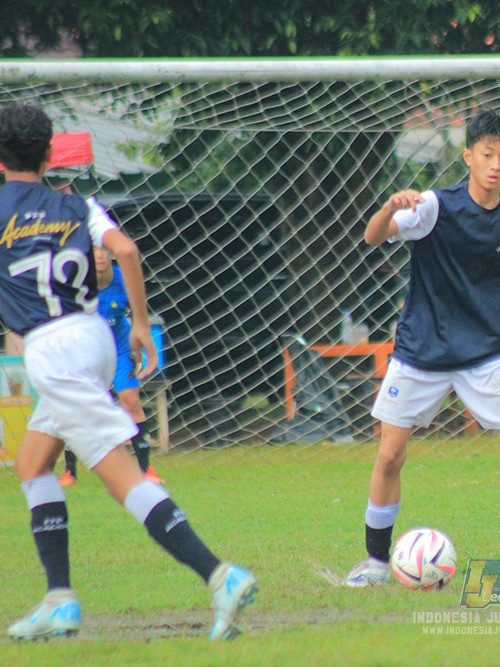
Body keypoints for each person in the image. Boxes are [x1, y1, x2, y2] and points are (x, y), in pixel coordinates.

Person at [0, 103, 257, 640]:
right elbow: (127, 250)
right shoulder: (78, 204)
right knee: (32, 464)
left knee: (125, 480)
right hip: (93, 337)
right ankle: (60, 599)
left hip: (52, 352)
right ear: (50, 155)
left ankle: (219, 575)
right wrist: (140, 325)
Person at [345, 108, 500, 586]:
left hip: (484, 355)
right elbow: (373, 237)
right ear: (468, 156)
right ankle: (375, 563)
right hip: (421, 354)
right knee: (390, 455)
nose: (496, 164)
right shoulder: (435, 206)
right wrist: (390, 209)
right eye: (487, 154)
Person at [60, 246, 164, 486]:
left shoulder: (124, 279)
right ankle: (70, 472)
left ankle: (147, 470)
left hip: (119, 346)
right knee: (80, 407)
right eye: (92, 250)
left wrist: (138, 345)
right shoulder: (77, 282)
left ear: (111, 254)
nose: (98, 255)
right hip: (87, 349)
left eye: (102, 250)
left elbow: (139, 315)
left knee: (131, 401)